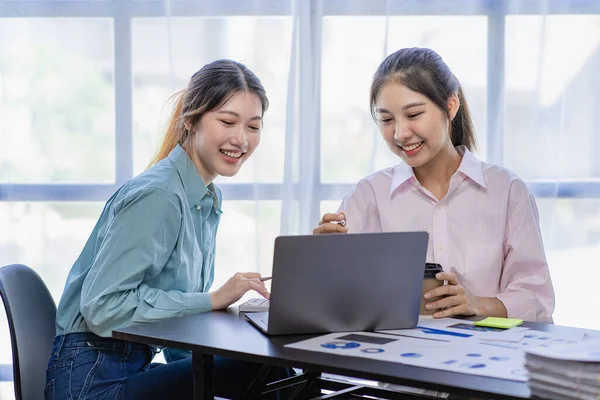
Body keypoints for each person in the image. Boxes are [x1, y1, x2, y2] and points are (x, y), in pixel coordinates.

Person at [45, 59, 289, 400]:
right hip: (92, 382)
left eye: (253, 126)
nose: (241, 139)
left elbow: (174, 323)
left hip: (127, 368)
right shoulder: (160, 195)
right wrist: (213, 299)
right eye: (227, 121)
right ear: (191, 120)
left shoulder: (204, 199)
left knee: (269, 368)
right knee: (267, 371)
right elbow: (103, 307)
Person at [314, 47, 555, 322]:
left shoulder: (508, 191)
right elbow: (337, 301)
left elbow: (537, 299)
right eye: (387, 120)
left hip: (483, 358)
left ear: (451, 104)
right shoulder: (369, 195)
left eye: (414, 114)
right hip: (393, 359)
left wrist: (478, 304)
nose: (400, 133)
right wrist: (324, 261)